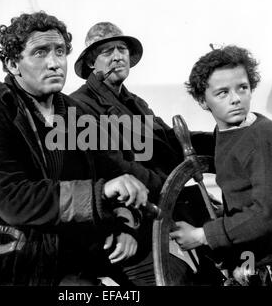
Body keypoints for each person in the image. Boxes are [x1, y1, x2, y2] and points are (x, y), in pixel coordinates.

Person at [0, 12, 152, 286]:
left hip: (81, 249)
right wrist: (101, 193)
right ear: (13, 63)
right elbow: (15, 200)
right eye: (40, 52)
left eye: (60, 51)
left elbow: (109, 171)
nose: (54, 63)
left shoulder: (76, 112)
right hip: (21, 262)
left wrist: (122, 224)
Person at [70, 22, 219, 285]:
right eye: (107, 51)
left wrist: (224, 141)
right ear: (92, 63)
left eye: (122, 49)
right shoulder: (79, 106)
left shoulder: (136, 103)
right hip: (126, 225)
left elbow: (170, 141)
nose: (118, 56)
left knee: (226, 258)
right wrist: (167, 187)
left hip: (165, 209)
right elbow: (111, 165)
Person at [171, 45, 272, 286]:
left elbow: (267, 213)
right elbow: (242, 198)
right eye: (222, 92)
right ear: (202, 100)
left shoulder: (263, 135)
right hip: (259, 262)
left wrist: (202, 235)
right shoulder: (227, 133)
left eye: (242, 88)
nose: (236, 99)